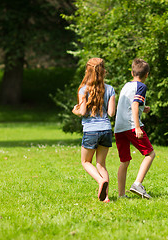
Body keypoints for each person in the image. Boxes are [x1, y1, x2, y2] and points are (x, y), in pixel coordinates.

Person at [72, 58, 115, 202]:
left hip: (91, 130)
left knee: (85, 162)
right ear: (103, 71)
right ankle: (106, 197)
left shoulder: (84, 90)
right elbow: (111, 113)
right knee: (101, 164)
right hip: (106, 130)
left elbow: (83, 111)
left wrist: (75, 111)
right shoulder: (110, 89)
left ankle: (100, 181)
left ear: (87, 71)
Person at [114, 58, 155, 199]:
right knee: (150, 154)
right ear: (147, 74)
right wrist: (137, 127)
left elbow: (130, 104)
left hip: (119, 127)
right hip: (132, 126)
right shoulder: (141, 87)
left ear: (132, 73)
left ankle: (121, 195)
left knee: (124, 161)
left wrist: (144, 108)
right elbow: (134, 105)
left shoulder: (126, 85)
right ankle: (137, 184)